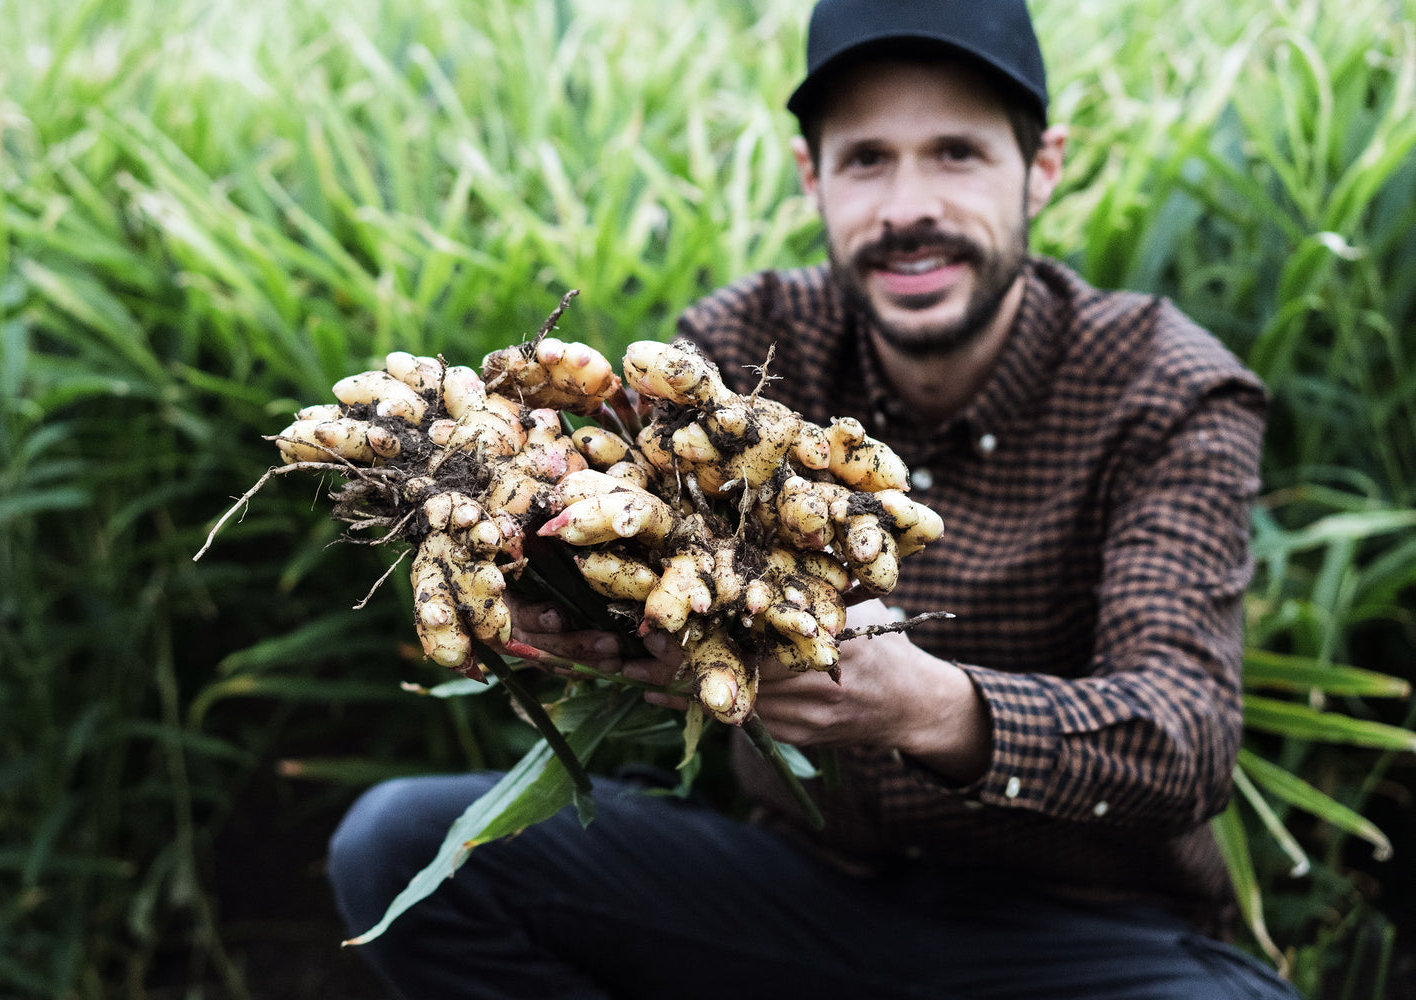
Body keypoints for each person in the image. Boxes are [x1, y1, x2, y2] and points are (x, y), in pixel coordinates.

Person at [327, 1, 1302, 997]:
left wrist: (931, 707)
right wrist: (554, 585)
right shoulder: (739, 345)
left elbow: (1185, 736)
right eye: (868, 159)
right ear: (814, 177)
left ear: (1042, 166)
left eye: (957, 153)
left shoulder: (1168, 385)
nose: (909, 205)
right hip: (798, 901)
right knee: (401, 845)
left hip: (1078, 939)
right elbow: (623, 517)